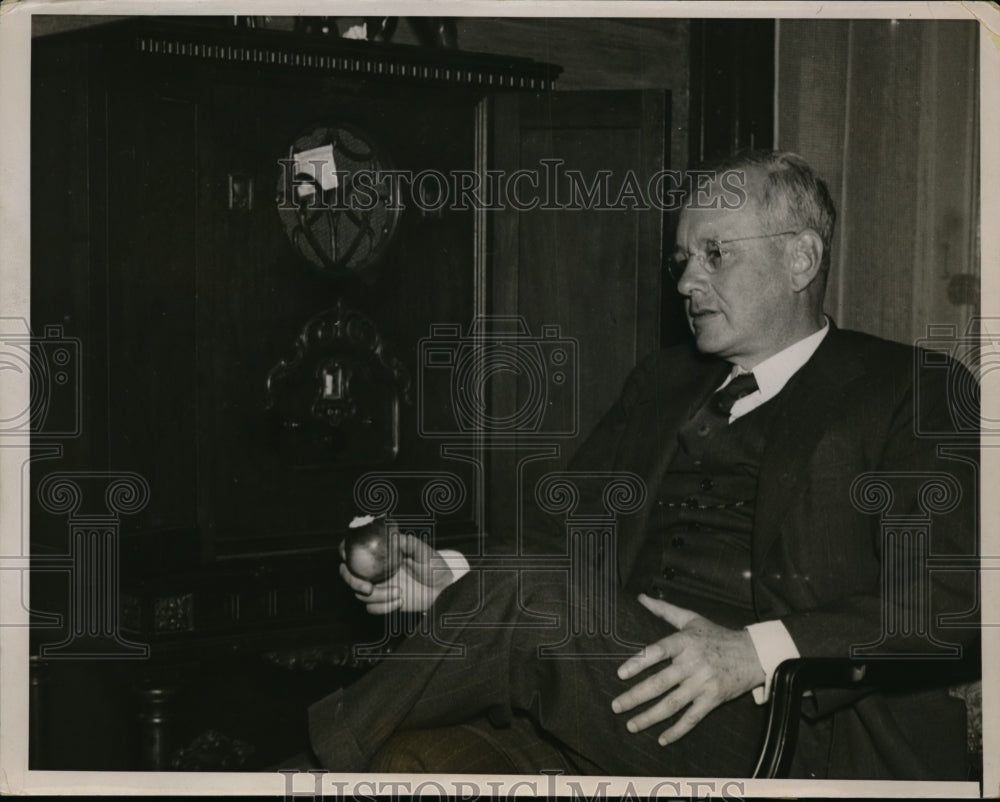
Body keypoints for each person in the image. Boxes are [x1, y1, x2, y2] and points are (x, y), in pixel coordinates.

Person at [307, 151, 979, 779]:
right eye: (683, 259)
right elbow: (559, 541)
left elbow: (954, 599)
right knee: (410, 762)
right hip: (617, 694)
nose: (686, 282)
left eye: (715, 254)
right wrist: (449, 580)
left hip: (784, 727)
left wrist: (757, 652)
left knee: (527, 607)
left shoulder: (910, 390)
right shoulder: (662, 383)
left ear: (800, 259)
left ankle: (306, 765)